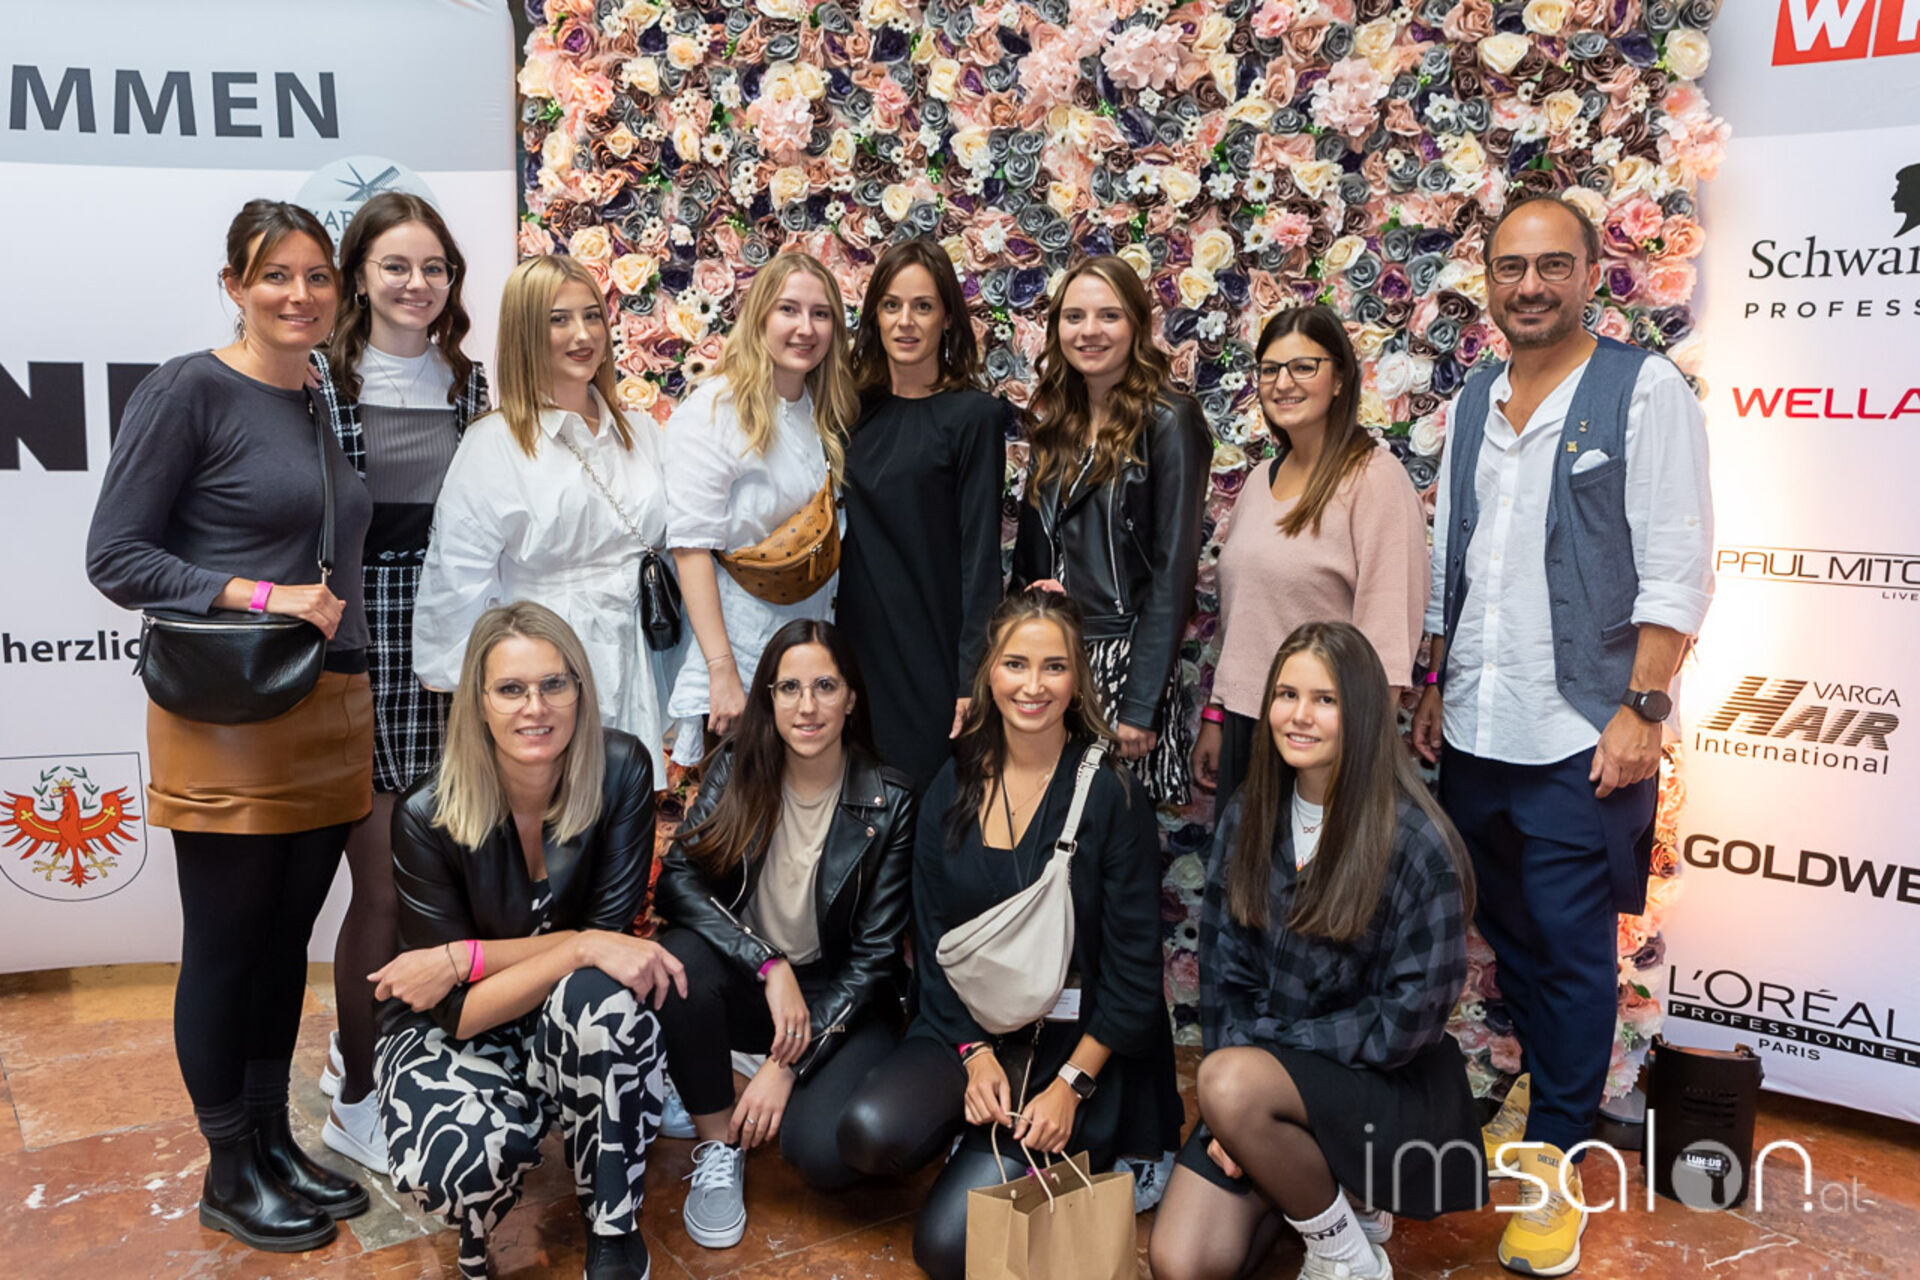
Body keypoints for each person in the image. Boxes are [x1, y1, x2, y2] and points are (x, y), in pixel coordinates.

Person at [1411, 194, 1713, 1276]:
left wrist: (1643, 708)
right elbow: (1456, 553)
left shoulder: (1645, 390)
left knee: (1576, 955)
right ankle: (1553, 1112)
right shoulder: (1475, 398)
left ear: (1592, 273)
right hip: (1477, 726)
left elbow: (1677, 561)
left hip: (1580, 733)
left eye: (1551, 265)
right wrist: (1435, 679)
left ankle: (1554, 1172)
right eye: (1510, 267)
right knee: (1516, 941)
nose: (1529, 285)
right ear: (1487, 281)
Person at [85, 199, 373, 1252]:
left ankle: (269, 1140)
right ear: (233, 285)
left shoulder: (320, 390)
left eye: (317, 276)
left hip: (328, 697)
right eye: (275, 276)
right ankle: (225, 1167)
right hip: (231, 712)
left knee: (286, 939)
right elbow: (115, 555)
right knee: (225, 942)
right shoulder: (190, 388)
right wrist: (260, 595)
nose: (299, 295)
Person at [836, 589, 1183, 1280]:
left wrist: (1071, 1087)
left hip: (1072, 1048)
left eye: (1054, 666)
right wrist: (972, 1055)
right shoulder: (953, 782)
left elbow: (1135, 975)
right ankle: (971, 1127)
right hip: (967, 1024)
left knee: (945, 1248)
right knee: (867, 1134)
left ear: (1077, 678)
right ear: (989, 673)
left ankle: (1034, 1142)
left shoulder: (1110, 794)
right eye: (1016, 664)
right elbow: (933, 939)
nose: (1033, 685)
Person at [1149, 622, 1482, 1280]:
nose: (1299, 715)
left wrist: (1253, 1078)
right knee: (1180, 1262)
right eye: (1287, 694)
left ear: (1362, 711)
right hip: (1264, 1079)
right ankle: (1312, 1189)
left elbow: (1405, 1024)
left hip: (1385, 1094)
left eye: (1324, 700)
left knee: (1230, 1083)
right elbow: (1222, 979)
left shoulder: (1418, 840)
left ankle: (1345, 1256)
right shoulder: (1249, 813)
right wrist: (1237, 1116)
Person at [373, 602, 685, 1280]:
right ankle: (475, 1229)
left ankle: (612, 1225)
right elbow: (458, 1011)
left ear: (580, 691)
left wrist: (466, 958)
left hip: (568, 1010)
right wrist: (575, 947)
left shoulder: (621, 770)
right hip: (453, 1029)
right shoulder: (425, 814)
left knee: (606, 1004)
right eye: (511, 689)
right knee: (455, 1162)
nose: (534, 708)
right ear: (478, 704)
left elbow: (609, 950)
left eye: (553, 684)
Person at [310, 190, 491, 1175]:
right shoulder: (319, 380)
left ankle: (383, 1047)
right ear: (358, 276)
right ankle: (357, 1099)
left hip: (454, 644)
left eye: (434, 268)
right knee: (378, 881)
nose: (417, 284)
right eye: (396, 265)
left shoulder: (470, 383)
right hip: (359, 646)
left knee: (437, 882)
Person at [650, 619, 915, 1247]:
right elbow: (677, 883)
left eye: (825, 686)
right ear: (768, 698)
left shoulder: (890, 800)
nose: (807, 706)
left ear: (851, 698)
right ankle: (719, 1141)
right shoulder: (736, 767)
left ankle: (737, 1077)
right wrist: (768, 964)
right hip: (755, 978)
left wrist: (787, 1064)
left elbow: (875, 957)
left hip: (838, 999)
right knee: (678, 958)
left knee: (821, 1152)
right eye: (789, 687)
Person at [413, 254, 679, 782]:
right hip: (543, 673)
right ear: (525, 331)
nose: (582, 334)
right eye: (559, 319)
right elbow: (458, 577)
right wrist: (472, 686)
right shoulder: (495, 443)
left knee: (625, 807)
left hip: (638, 656)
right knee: (550, 818)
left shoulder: (641, 433)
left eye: (592, 315)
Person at [1194, 305, 1429, 808]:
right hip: (1246, 727)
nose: (1284, 383)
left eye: (1304, 367)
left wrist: (1354, 757)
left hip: (1322, 739)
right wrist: (1217, 713)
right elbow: (1244, 621)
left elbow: (1388, 642)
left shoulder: (1375, 480)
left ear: (1340, 378)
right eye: (1270, 369)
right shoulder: (1259, 481)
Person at [1011, 255, 1211, 806]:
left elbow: (1173, 572)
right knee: (1047, 824)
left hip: (1123, 665)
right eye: (1074, 316)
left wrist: (1141, 704)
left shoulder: (1169, 420)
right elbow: (1032, 562)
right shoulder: (1057, 424)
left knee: (1113, 831)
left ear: (1137, 325)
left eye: (1109, 315)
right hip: (1051, 664)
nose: (1089, 331)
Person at [665, 252, 859, 759]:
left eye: (821, 314)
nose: (806, 328)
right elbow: (690, 549)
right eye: (788, 309)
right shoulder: (714, 412)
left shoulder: (822, 411)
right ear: (760, 317)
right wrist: (721, 671)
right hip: (741, 656)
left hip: (809, 662)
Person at [838, 238, 1009, 789]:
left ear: (948, 319)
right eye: (891, 305)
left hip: (932, 654)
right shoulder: (848, 411)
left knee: (927, 807)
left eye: (923, 306)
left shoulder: (974, 417)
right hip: (854, 654)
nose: (905, 321)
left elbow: (980, 557)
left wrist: (972, 679)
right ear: (874, 316)